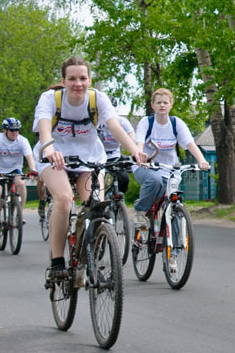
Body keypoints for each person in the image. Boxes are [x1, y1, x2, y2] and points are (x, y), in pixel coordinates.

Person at [33, 57, 145, 285]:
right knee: (64, 200)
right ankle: (57, 262)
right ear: (63, 81)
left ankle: (89, 261)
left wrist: (134, 150)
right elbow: (44, 127)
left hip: (89, 158)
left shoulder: (98, 99)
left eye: (83, 78)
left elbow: (115, 126)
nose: (78, 84)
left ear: (90, 80)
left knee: (97, 209)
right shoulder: (50, 99)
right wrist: (49, 148)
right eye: (72, 79)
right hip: (55, 157)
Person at [132, 88, 210, 229]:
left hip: (169, 169)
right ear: (153, 105)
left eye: (165, 102)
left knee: (174, 202)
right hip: (145, 167)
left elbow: (190, 144)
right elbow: (139, 143)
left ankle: (175, 241)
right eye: (158, 102)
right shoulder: (147, 123)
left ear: (171, 104)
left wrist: (202, 160)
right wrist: (140, 155)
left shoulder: (176, 123)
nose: (162, 105)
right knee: (155, 180)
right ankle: (140, 211)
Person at [0, 118, 36, 233]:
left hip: (15, 170)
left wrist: (33, 169)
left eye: (17, 130)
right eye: (12, 130)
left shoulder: (22, 140)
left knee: (21, 184)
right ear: (5, 130)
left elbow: (29, 156)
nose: (15, 132)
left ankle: (20, 214)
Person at [97, 110, 135, 199]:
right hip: (98, 155)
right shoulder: (97, 122)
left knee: (124, 178)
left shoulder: (122, 122)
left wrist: (132, 149)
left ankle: (117, 199)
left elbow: (132, 136)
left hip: (114, 155)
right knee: (97, 180)